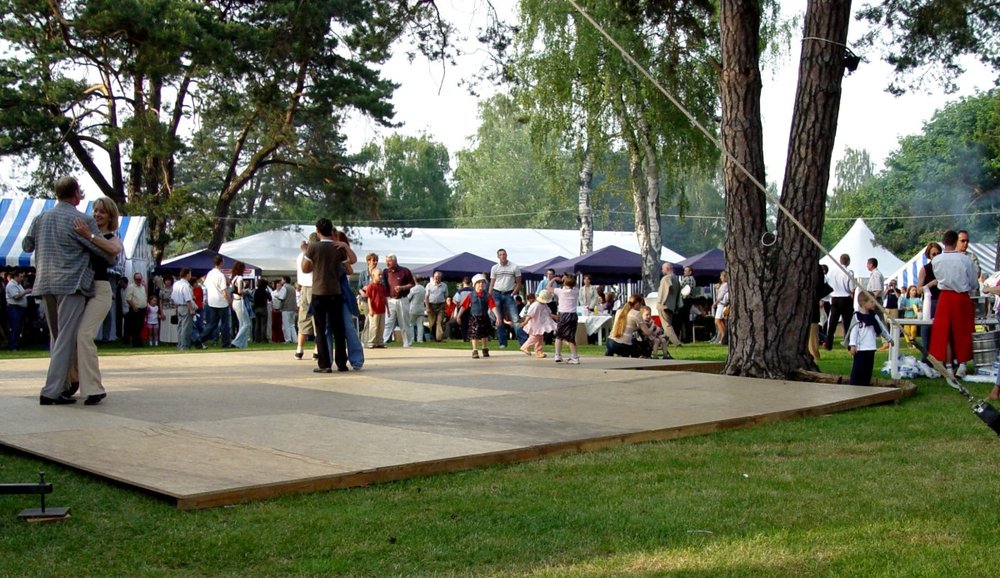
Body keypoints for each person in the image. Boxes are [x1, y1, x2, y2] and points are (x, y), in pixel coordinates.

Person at [22, 175, 113, 405]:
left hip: (44, 283)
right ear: (76, 194)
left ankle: (62, 387)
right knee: (64, 340)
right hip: (71, 285)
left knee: (56, 338)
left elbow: (26, 245)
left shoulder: (41, 217)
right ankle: (51, 391)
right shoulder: (81, 220)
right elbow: (107, 255)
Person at [301, 218, 349, 373]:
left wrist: (308, 255)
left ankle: (325, 364)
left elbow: (305, 269)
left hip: (319, 292)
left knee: (321, 330)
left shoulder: (313, 247)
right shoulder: (337, 247)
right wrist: (345, 246)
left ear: (318, 230)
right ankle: (342, 362)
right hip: (335, 291)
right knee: (338, 329)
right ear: (331, 230)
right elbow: (352, 261)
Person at [929, 230, 979, 376]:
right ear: (956, 241)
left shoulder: (936, 260)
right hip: (961, 296)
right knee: (963, 331)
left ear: (943, 242)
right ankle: (962, 364)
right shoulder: (965, 259)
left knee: (945, 332)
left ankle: (949, 366)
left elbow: (938, 277)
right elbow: (973, 282)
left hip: (944, 297)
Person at [846, 292, 892, 386]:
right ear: (863, 303)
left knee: (868, 369)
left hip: (870, 347)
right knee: (858, 370)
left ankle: (865, 386)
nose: (874, 303)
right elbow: (853, 332)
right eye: (872, 301)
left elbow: (881, 328)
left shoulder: (874, 316)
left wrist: (889, 338)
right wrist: (852, 345)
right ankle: (854, 386)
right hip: (860, 348)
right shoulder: (857, 316)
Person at [456, 273, 500, 359]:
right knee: (474, 334)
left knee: (485, 334)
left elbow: (493, 306)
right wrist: (458, 316)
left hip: (484, 317)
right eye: (479, 282)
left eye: (483, 283)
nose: (481, 284)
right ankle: (475, 350)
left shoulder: (487, 295)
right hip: (474, 317)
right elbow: (464, 306)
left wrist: (497, 316)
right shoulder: (471, 295)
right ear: (475, 284)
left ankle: (485, 348)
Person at [194, 255, 232, 349]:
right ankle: (225, 343)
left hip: (212, 301)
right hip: (222, 302)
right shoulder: (220, 275)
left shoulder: (210, 273)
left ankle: (200, 339)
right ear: (221, 263)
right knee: (224, 324)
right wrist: (229, 301)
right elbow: (224, 290)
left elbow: (206, 285)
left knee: (212, 324)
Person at [489, 248, 522, 349]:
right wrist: (489, 295)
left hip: (508, 294)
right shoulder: (494, 268)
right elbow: (492, 283)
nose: (502, 256)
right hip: (496, 293)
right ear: (498, 256)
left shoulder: (514, 267)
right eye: (500, 255)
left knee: (515, 318)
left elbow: (519, 282)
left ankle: (523, 342)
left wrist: (513, 293)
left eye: (504, 254)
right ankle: (502, 343)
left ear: (506, 255)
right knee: (499, 319)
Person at [382, 254, 416, 347]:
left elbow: (412, 284)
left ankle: (407, 342)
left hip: (402, 299)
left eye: (389, 261)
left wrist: (402, 288)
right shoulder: (386, 272)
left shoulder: (405, 271)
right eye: (386, 261)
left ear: (395, 261)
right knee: (388, 322)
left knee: (404, 322)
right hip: (390, 300)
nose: (387, 263)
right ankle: (382, 341)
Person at [916, 242, 942, 363]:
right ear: (929, 255)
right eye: (933, 254)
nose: (935, 256)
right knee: (926, 333)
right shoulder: (925, 269)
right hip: (929, 301)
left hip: (942, 301)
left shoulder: (944, 268)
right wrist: (930, 284)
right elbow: (918, 289)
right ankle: (925, 360)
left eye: (938, 253)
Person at [824, 254, 855, 350]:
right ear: (848, 261)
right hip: (845, 298)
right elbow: (852, 288)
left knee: (832, 322)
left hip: (835, 298)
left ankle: (829, 344)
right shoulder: (849, 272)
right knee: (847, 323)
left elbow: (829, 285)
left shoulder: (833, 272)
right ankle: (849, 343)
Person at [294, 233, 317, 360]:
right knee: (317, 319)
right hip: (314, 287)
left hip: (303, 287)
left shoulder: (299, 256)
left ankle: (299, 349)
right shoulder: (313, 255)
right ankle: (317, 350)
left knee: (303, 318)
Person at [552, 273, 581, 364]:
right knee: (570, 337)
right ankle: (574, 356)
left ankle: (557, 355)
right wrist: (569, 278)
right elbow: (575, 284)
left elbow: (548, 287)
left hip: (563, 315)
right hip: (573, 315)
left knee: (559, 335)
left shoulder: (560, 291)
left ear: (564, 283)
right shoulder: (576, 291)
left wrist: (554, 279)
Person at [519, 289, 556, 358]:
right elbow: (530, 315)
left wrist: (557, 317)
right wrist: (525, 322)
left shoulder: (544, 305)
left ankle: (538, 351)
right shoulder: (536, 305)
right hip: (534, 324)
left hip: (540, 324)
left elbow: (549, 313)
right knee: (535, 337)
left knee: (540, 337)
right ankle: (525, 346)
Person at [656, 262, 683, 347]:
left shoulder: (666, 279)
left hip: (664, 305)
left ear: (667, 269)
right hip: (672, 305)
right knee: (667, 325)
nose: (662, 270)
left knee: (667, 325)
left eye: (663, 269)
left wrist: (660, 303)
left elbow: (664, 291)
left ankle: (676, 342)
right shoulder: (676, 279)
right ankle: (664, 342)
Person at [172, 268, 196, 350]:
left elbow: (173, 297)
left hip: (178, 306)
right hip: (185, 306)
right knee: (186, 327)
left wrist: (175, 307)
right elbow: (188, 299)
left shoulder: (176, 284)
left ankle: (180, 345)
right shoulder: (186, 285)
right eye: (190, 274)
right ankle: (184, 346)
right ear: (187, 274)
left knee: (180, 327)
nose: (190, 276)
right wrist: (191, 309)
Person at [5, 270, 30, 351]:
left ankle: (16, 345)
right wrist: (25, 292)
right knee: (15, 327)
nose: (22, 278)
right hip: (14, 308)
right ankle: (12, 346)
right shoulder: (11, 285)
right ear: (16, 276)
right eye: (21, 276)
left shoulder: (18, 285)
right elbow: (16, 296)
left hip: (19, 308)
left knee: (19, 328)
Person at [229, 261, 251, 349]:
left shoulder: (233, 278)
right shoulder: (240, 278)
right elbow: (240, 291)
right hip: (240, 301)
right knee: (247, 323)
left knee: (242, 323)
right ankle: (236, 341)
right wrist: (247, 291)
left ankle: (243, 344)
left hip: (235, 301)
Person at [364, 269, 388, 348]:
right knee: (374, 326)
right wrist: (370, 309)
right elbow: (369, 299)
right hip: (374, 310)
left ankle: (380, 341)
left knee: (381, 327)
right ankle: (371, 342)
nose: (381, 277)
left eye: (381, 275)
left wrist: (388, 308)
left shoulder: (381, 286)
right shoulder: (371, 286)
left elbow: (385, 298)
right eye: (379, 275)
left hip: (382, 310)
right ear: (373, 275)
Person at [125, 271, 148, 347]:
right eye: (137, 279)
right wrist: (133, 306)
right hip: (135, 309)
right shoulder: (131, 287)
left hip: (143, 309)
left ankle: (139, 341)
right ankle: (136, 343)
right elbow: (128, 298)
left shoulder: (142, 287)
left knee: (140, 326)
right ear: (134, 279)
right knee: (135, 326)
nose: (139, 280)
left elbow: (145, 296)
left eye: (140, 279)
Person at [424, 270, 448, 342]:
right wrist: (427, 307)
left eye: (438, 277)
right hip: (431, 306)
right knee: (432, 323)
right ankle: (434, 337)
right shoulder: (429, 285)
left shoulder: (444, 286)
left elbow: (446, 296)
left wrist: (445, 305)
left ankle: (439, 338)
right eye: (435, 277)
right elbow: (426, 297)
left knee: (439, 322)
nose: (436, 278)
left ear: (441, 278)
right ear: (433, 277)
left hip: (441, 306)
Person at [272, 275, 296, 344]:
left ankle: (288, 339)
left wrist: (276, 296)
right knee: (292, 325)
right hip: (293, 308)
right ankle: (295, 339)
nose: (281, 281)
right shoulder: (292, 287)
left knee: (286, 325)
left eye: (282, 280)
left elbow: (281, 297)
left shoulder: (284, 287)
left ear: (285, 280)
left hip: (286, 308)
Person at [678, 266, 697, 342]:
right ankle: (686, 337)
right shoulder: (692, 279)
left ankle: (686, 337)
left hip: (685, 300)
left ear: (690, 272)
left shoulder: (688, 279)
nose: (684, 272)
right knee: (686, 319)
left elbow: (680, 287)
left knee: (683, 319)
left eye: (686, 271)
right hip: (688, 300)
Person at [711, 271, 730, 345]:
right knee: (720, 321)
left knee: (717, 321)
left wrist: (715, 303)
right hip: (721, 304)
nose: (720, 277)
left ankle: (723, 337)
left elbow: (720, 296)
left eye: (721, 276)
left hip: (721, 304)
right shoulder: (723, 285)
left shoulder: (725, 285)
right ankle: (723, 337)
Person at [252, 277, 271, 344]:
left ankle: (257, 339)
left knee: (257, 324)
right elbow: (270, 298)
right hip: (263, 308)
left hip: (256, 308)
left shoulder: (256, 291)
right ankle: (264, 339)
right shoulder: (264, 291)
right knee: (263, 324)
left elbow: (254, 299)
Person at [408, 277, 427, 343]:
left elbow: (408, 298)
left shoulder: (413, 289)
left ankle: (412, 339)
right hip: (421, 308)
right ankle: (420, 340)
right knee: (420, 325)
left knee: (411, 324)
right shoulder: (423, 288)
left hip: (413, 308)